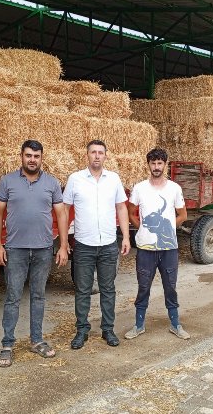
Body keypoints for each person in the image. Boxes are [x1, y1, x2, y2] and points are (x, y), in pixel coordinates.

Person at [0, 140, 69, 367]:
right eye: (28, 155)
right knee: (13, 298)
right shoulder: (7, 181)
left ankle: (37, 340)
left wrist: (63, 245)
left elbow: (61, 215)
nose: (32, 159)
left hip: (43, 249)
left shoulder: (52, 183)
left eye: (36, 156)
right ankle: (7, 344)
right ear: (21, 156)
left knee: (38, 296)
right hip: (15, 249)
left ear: (42, 158)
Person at [63, 139, 130, 349]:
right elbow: (64, 210)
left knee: (108, 289)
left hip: (109, 244)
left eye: (101, 152)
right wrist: (64, 242)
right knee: (82, 290)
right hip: (83, 244)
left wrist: (126, 237)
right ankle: (82, 330)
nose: (97, 156)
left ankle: (108, 330)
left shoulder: (114, 179)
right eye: (93, 152)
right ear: (87, 155)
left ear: (105, 156)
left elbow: (121, 208)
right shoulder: (75, 179)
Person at [125, 148, 190, 340]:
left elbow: (183, 215)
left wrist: (167, 228)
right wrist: (143, 228)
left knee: (170, 286)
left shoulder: (174, 189)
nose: (156, 167)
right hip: (145, 249)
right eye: (153, 163)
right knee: (143, 286)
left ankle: (175, 324)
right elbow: (130, 212)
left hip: (169, 249)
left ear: (165, 165)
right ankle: (138, 325)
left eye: (159, 163)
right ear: (148, 165)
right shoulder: (139, 188)